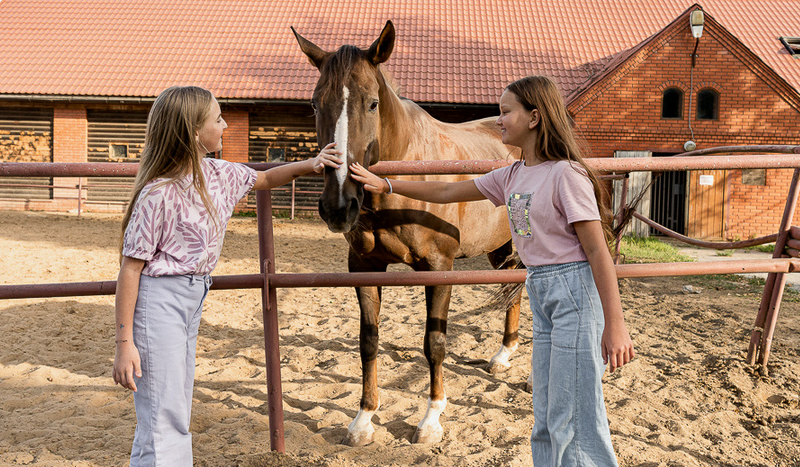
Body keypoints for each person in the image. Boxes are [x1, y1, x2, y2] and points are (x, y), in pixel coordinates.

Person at [350, 75, 634, 466]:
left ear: (534, 118)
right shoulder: (513, 174)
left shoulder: (566, 175)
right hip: (540, 289)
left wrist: (615, 324)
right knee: (548, 409)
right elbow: (447, 191)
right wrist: (385, 184)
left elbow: (598, 251)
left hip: (573, 292)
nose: (498, 120)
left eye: (505, 112)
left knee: (578, 411)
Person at [112, 85, 342, 466]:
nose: (226, 126)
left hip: (193, 296)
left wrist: (311, 164)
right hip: (160, 300)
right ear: (192, 131)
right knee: (165, 409)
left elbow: (264, 179)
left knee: (170, 402)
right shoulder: (158, 194)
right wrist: (124, 343)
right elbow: (130, 270)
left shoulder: (218, 174)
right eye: (217, 119)